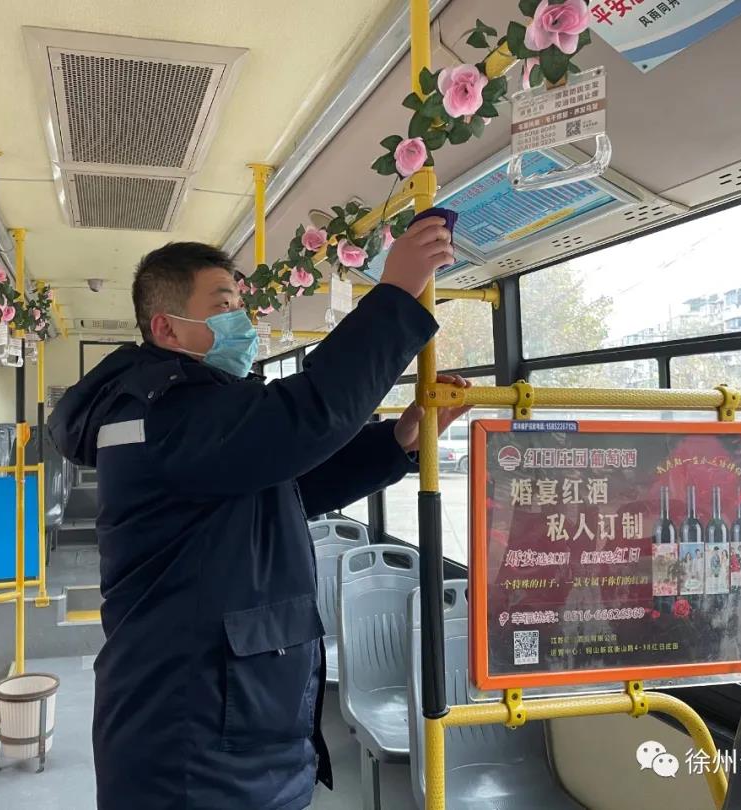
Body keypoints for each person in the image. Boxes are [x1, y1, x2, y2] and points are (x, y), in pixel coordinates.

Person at [48, 217, 469, 810]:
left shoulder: (186, 412)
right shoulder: (164, 414)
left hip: (225, 720)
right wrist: (395, 296)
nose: (240, 322)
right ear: (166, 327)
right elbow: (311, 413)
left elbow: (287, 483)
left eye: (239, 306)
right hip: (192, 740)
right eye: (223, 306)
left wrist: (396, 441)